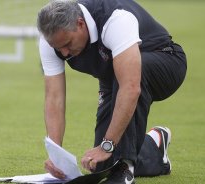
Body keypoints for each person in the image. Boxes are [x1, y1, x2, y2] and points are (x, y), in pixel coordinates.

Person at [37, 0, 187, 183]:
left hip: (166, 61)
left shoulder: (115, 20)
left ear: (80, 23)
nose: (65, 52)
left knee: (111, 152)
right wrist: (56, 155)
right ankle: (154, 145)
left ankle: (125, 168)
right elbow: (54, 98)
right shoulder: (51, 40)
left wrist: (107, 145)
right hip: (115, 77)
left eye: (67, 43)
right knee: (102, 166)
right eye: (58, 48)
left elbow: (130, 87)